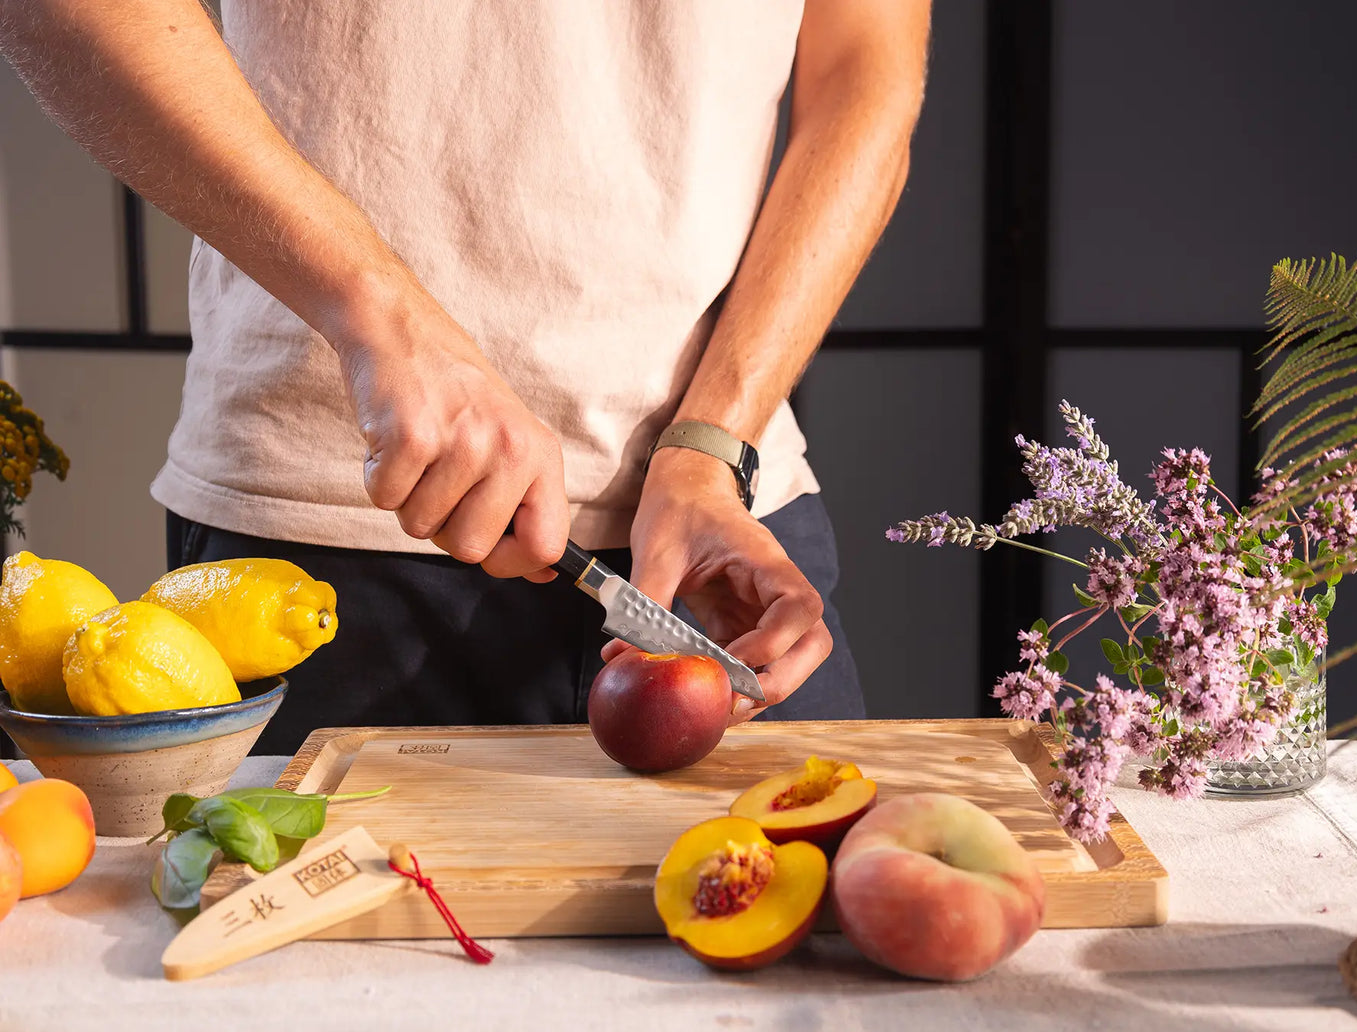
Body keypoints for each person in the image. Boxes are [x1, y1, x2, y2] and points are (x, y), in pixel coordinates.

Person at [0, 1, 932, 754]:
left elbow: (864, 76)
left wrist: (711, 444)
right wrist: (382, 318)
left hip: (723, 534)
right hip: (324, 536)